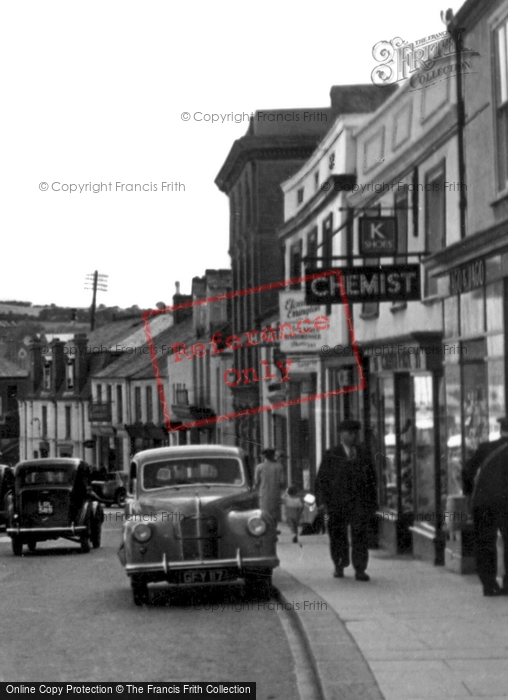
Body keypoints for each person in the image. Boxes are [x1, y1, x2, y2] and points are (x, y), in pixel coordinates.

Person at [315, 419, 377, 581]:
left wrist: (372, 503)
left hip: (359, 502)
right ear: (341, 435)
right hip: (337, 503)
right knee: (337, 535)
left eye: (355, 433)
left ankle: (360, 569)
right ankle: (339, 564)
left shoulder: (363, 454)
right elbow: (322, 480)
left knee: (360, 535)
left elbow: (372, 479)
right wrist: (321, 502)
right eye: (350, 433)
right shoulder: (331, 455)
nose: (353, 436)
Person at [462, 417, 508, 597]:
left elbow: (467, 471)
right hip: (506, 502)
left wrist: (470, 492)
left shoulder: (485, 448)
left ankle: (489, 585)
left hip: (484, 502)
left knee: (485, 543)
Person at [254, 448, 284, 525]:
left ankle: (266, 531)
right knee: (274, 515)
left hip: (264, 494)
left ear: (264, 457)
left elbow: (256, 481)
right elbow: (282, 482)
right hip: (275, 494)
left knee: (264, 515)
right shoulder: (279, 467)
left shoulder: (259, 467)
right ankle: (274, 530)